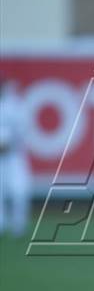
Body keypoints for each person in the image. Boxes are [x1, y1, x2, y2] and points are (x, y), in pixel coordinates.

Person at [0, 76, 31, 238]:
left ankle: (19, 225)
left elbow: (23, 130)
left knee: (19, 191)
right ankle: (1, 224)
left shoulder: (15, 105)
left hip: (14, 156)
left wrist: (9, 143)